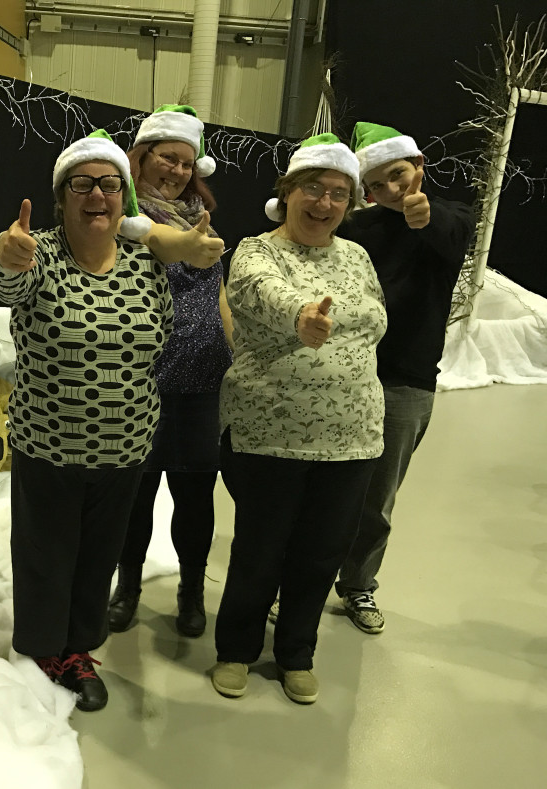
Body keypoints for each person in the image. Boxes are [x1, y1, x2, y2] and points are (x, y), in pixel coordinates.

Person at [0, 130, 220, 712]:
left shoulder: (145, 263)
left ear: (124, 198)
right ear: (63, 197)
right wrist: (3, 252)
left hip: (125, 450)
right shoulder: (39, 253)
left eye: (110, 185)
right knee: (47, 553)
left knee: (97, 557)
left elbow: (159, 336)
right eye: (83, 185)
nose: (98, 195)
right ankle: (46, 650)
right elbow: (6, 277)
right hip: (50, 446)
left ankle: (79, 648)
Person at [209, 133, 387, 704]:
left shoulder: (357, 257)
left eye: (339, 193)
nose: (325, 203)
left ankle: (296, 654)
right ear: (288, 192)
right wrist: (303, 317)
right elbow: (261, 295)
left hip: (351, 439)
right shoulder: (258, 251)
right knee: (260, 549)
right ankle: (236, 649)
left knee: (321, 551)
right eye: (314, 188)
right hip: (269, 434)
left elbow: (377, 319)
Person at [331, 121, 476, 633]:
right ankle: (303, 579)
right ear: (364, 192)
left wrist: (424, 215)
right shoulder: (356, 230)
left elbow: (446, 231)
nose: (393, 192)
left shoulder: (451, 219)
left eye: (398, 176)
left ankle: (359, 585)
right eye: (377, 186)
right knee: (326, 491)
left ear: (418, 167)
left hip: (408, 381)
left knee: (378, 497)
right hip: (342, 375)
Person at [106, 105, 232, 638]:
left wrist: (238, 349)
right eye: (167, 158)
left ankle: (190, 590)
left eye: (186, 163)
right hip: (140, 382)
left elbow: (220, 300)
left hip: (201, 382)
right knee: (134, 496)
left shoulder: (202, 226)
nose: (177, 171)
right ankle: (128, 586)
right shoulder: (118, 223)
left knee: (195, 497)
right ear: (142, 158)